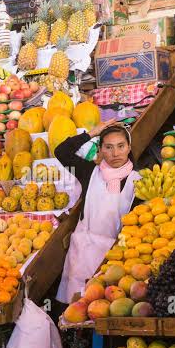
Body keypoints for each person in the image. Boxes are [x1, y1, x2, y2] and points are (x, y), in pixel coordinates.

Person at [54, 122, 141, 304]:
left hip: (113, 258)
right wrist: (93, 132)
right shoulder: (90, 172)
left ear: (129, 148)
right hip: (82, 254)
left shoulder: (138, 181)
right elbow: (61, 152)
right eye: (108, 147)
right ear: (100, 149)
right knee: (75, 308)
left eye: (120, 146)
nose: (115, 153)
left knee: (104, 307)